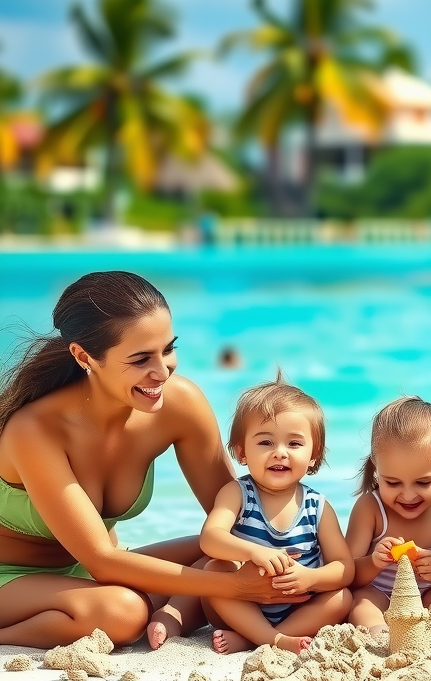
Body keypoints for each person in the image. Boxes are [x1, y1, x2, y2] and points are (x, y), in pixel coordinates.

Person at [0, 271, 301, 650]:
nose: (162, 372)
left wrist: (305, 566)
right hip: (13, 578)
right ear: (83, 356)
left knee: (231, 547)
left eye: (168, 349)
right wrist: (234, 586)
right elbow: (102, 561)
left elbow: (239, 518)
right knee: (123, 614)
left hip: (81, 576)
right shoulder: (35, 430)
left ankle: (170, 615)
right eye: (141, 359)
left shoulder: (180, 405)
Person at [200, 378, 354, 655]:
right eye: (266, 442)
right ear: (241, 452)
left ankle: (259, 639)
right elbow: (211, 538)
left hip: (299, 608)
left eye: (294, 444)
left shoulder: (317, 506)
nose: (280, 452)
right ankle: (270, 639)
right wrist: (253, 551)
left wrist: (311, 578)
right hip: (243, 605)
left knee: (342, 598)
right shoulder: (237, 493)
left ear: (313, 456)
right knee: (213, 571)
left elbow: (344, 567)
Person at [346, 396, 431, 635]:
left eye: (423, 482)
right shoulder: (369, 508)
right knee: (361, 601)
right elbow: (347, 576)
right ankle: (379, 636)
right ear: (376, 466)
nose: (408, 495)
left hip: (429, 592)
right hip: (380, 594)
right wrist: (374, 562)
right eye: (393, 482)